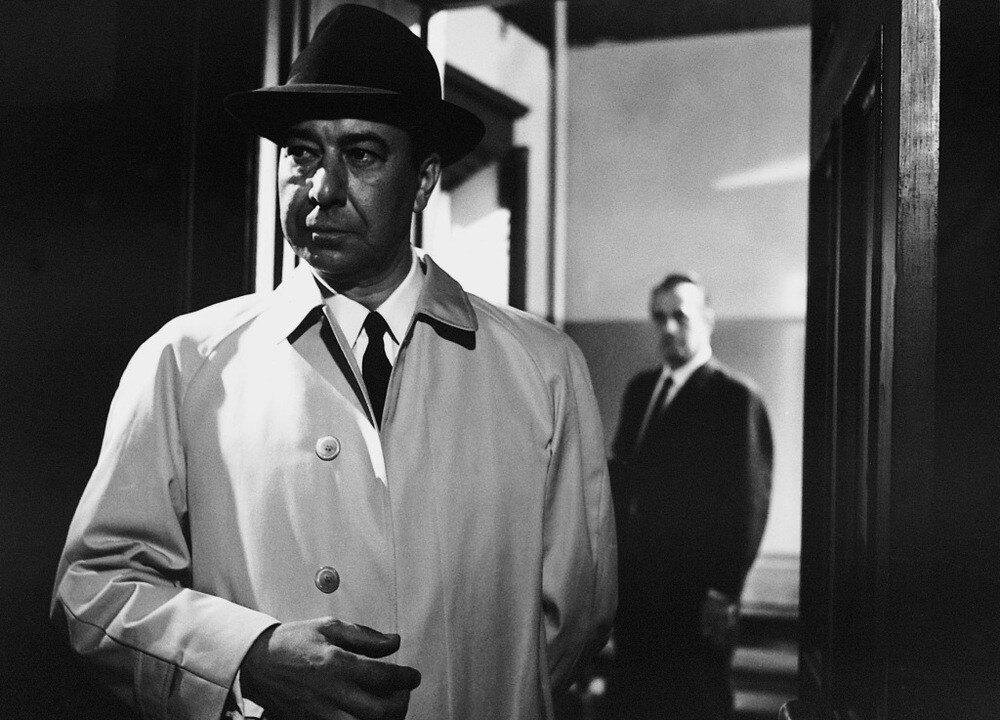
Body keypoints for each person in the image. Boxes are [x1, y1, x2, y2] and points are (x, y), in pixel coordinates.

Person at [50, 6, 617, 720]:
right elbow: (95, 589)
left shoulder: (543, 368)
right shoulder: (185, 361)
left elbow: (573, 622)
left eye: (363, 154)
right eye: (303, 153)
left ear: (423, 181)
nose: (322, 188)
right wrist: (248, 658)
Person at [607, 272, 772, 720]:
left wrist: (723, 592)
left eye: (680, 316)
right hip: (637, 595)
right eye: (659, 317)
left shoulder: (735, 398)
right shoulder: (641, 390)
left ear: (708, 319)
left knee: (694, 706)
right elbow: (622, 479)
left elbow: (748, 505)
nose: (668, 328)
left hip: (695, 600)